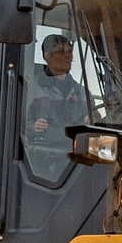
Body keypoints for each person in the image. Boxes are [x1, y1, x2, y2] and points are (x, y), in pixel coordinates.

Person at [24, 33, 91, 163]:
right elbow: (16, 124)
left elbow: (95, 118)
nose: (68, 56)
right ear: (47, 56)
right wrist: (33, 127)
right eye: (61, 51)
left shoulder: (81, 92)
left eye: (70, 51)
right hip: (41, 155)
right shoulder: (32, 88)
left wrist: (91, 116)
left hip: (75, 155)